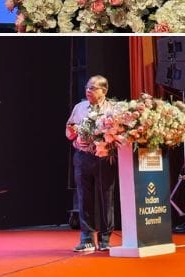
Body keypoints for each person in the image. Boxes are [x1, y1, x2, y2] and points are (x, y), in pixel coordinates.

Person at [65, 75, 116, 253]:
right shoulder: (79, 107)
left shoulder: (113, 109)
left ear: (104, 91)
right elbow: (69, 132)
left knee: (106, 197)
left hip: (104, 157)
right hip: (82, 156)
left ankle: (105, 239)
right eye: (87, 87)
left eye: (93, 88)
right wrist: (73, 131)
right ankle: (86, 239)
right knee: (84, 198)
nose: (88, 90)